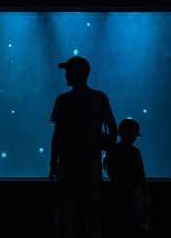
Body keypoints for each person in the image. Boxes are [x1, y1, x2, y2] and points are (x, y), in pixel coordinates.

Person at [49, 56, 118, 238]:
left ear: (79, 74)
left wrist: (53, 164)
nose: (66, 76)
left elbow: (57, 135)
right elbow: (113, 128)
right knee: (93, 213)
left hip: (68, 164)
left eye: (68, 71)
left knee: (64, 212)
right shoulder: (99, 98)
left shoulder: (63, 100)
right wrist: (109, 152)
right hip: (91, 165)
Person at [103, 118, 152, 236]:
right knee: (134, 223)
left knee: (120, 223)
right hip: (133, 192)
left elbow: (111, 172)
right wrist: (145, 192)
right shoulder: (135, 152)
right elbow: (141, 173)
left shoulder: (112, 150)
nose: (135, 138)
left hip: (118, 191)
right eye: (134, 134)